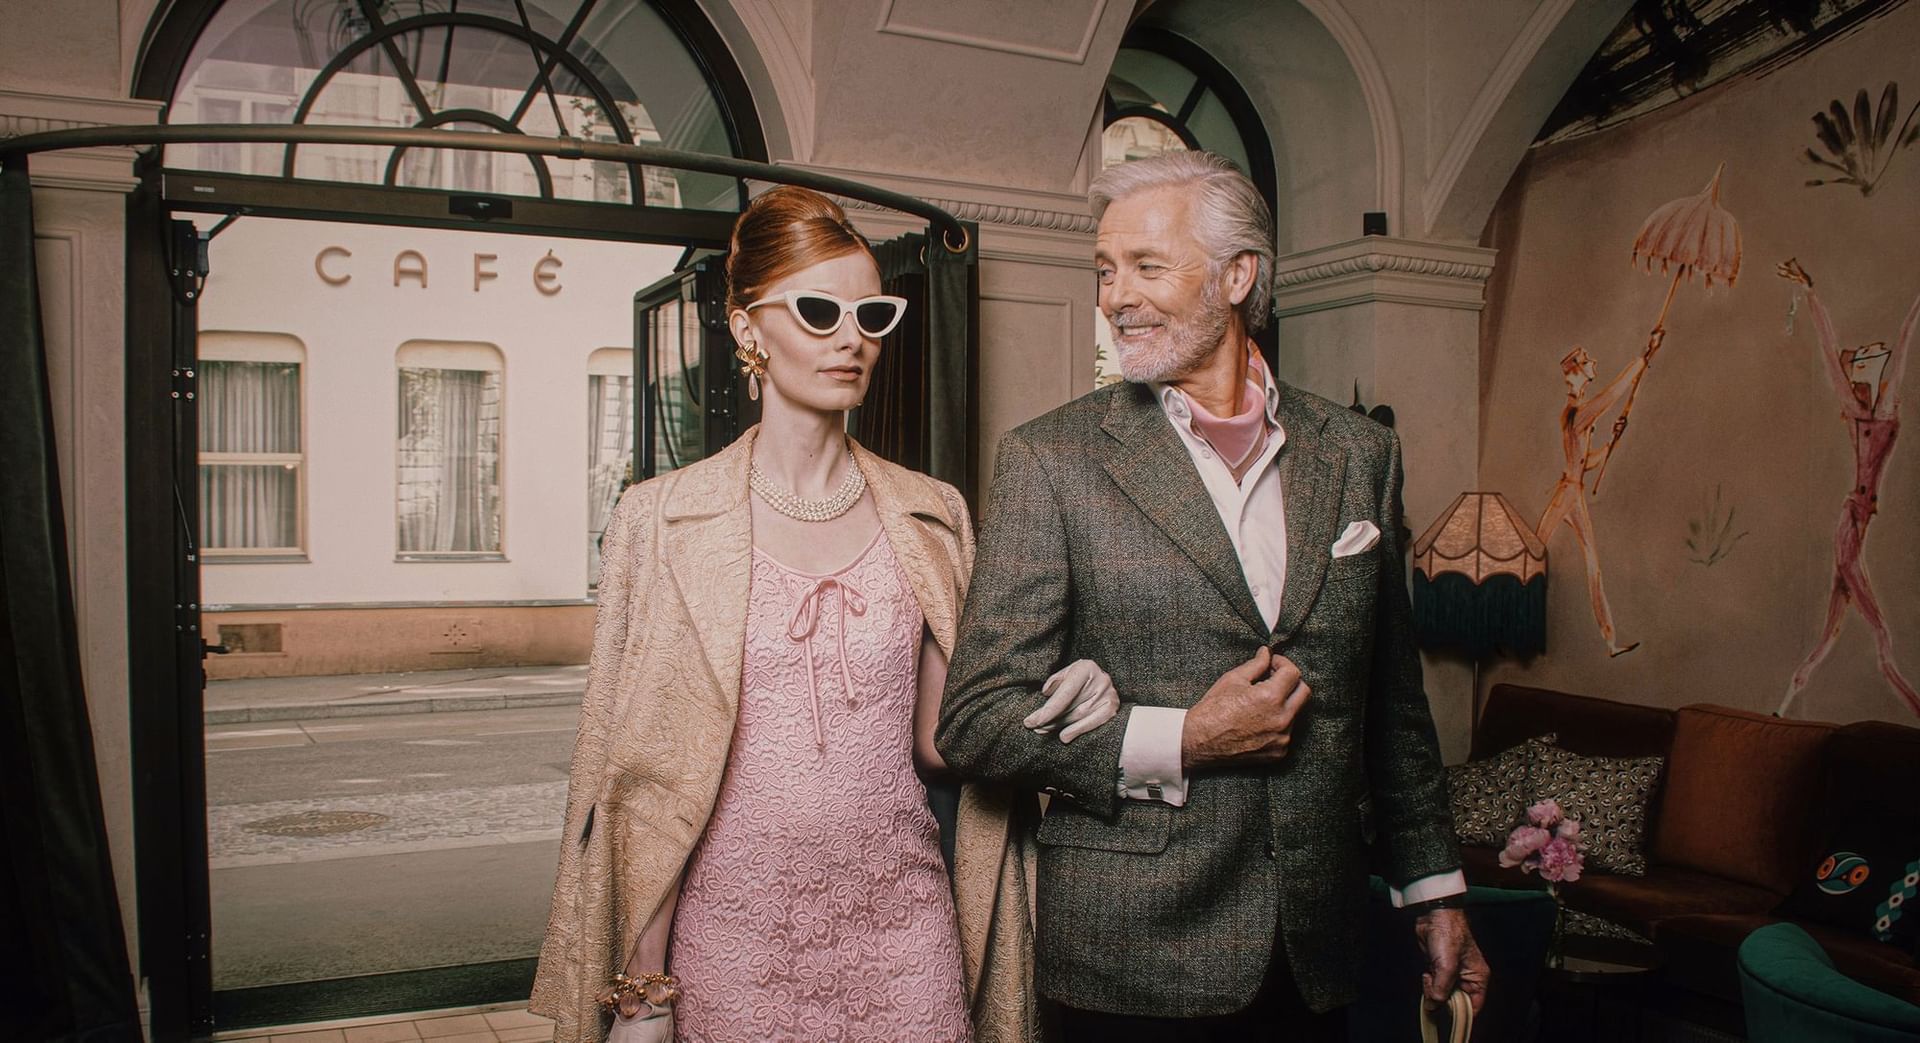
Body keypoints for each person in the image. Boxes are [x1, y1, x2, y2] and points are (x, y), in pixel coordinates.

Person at [530, 186, 1118, 1043]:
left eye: (871, 314)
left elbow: (947, 735)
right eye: (818, 310)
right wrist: (643, 992)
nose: (851, 338)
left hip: (906, 931)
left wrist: (1065, 695)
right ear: (746, 328)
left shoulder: (932, 513)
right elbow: (639, 780)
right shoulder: (659, 520)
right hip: (733, 940)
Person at [936, 151, 1489, 1041]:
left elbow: (1393, 702)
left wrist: (1433, 888)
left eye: (1147, 266)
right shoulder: (1052, 459)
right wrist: (1184, 739)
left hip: (1315, 953)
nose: (1117, 295)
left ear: (1239, 276)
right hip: (1130, 957)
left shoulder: (1358, 455)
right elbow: (974, 718)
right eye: (1105, 270)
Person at [1774, 257, 1918, 718]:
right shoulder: (1858, 412)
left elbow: (1905, 340)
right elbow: (1827, 344)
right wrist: (1812, 294)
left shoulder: (1885, 409)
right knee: (1880, 636)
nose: (1872, 364)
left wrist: (1917, 307)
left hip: (1858, 522)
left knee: (1829, 633)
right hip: (1849, 525)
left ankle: (1784, 707)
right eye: (1866, 363)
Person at [1534, 345, 1644, 658]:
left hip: (1575, 491)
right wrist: (1640, 362)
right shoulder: (1575, 414)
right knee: (1532, 560)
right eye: (1586, 361)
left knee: (1593, 567)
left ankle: (1610, 641)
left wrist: (1611, 444)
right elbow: (1609, 398)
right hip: (1566, 493)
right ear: (1576, 372)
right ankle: (1505, 624)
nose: (1594, 362)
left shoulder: (1578, 411)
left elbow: (1586, 463)